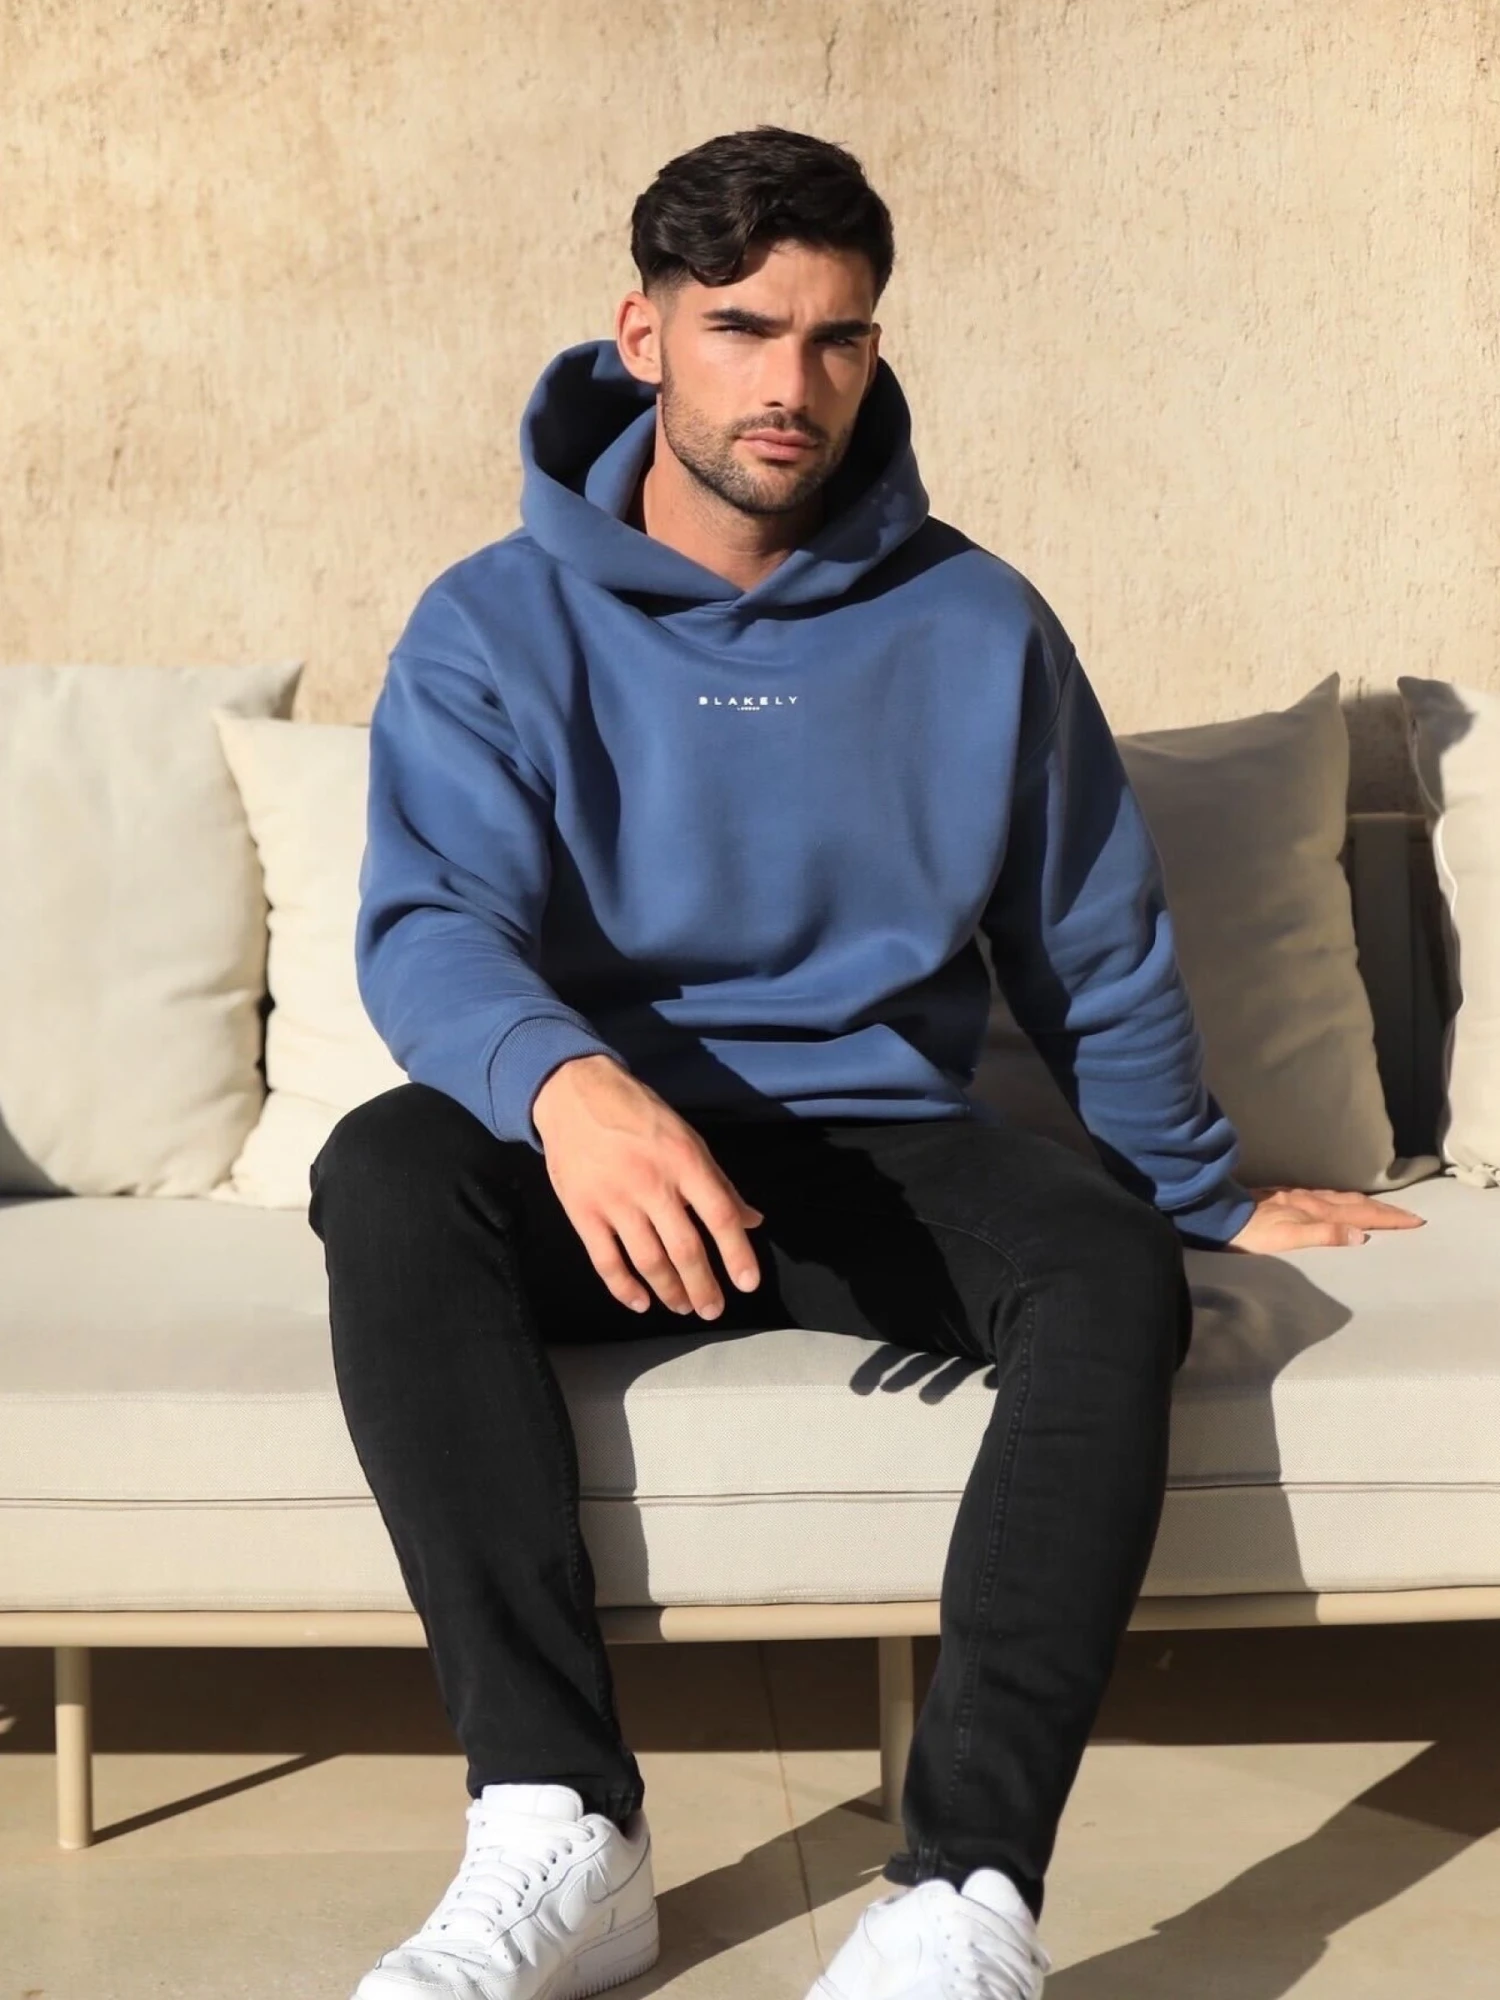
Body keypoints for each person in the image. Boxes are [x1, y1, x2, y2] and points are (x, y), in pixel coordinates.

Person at [308, 124, 1425, 2000]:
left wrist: (1196, 1186)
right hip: (616, 1164)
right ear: (643, 336)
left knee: (1106, 1264)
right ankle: (560, 1824)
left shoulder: (977, 621)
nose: (792, 382)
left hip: (878, 1145)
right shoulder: (492, 621)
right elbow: (434, 927)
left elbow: (1088, 939)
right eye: (744, 329)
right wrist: (569, 1089)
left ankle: (961, 1894)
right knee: (388, 1170)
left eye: (837, 337)